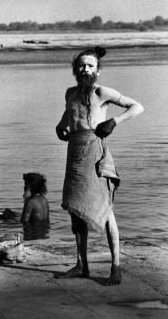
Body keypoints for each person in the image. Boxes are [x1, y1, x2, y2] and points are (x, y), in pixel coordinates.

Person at [55, 46, 144, 285]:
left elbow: (137, 106)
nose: (85, 70)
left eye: (90, 66)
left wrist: (115, 121)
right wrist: (60, 126)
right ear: (75, 69)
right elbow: (69, 114)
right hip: (74, 153)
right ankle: (81, 265)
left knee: (106, 211)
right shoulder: (70, 92)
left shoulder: (101, 92)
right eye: (81, 66)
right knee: (75, 211)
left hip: (95, 152)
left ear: (98, 71)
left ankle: (116, 267)